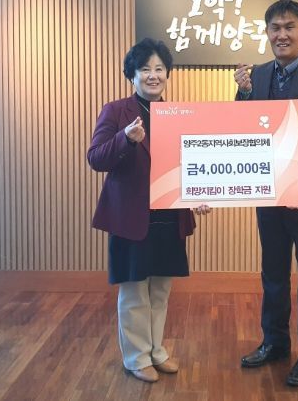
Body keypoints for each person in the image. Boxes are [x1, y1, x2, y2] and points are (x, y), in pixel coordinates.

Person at [87, 38, 209, 383]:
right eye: (145, 69)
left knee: (160, 290)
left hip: (168, 216)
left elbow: (190, 164)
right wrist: (125, 138)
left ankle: (156, 351)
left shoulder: (177, 114)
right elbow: (96, 158)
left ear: (167, 74)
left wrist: (199, 194)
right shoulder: (116, 111)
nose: (153, 75)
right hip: (131, 218)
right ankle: (136, 357)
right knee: (134, 292)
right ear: (132, 75)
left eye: (159, 69)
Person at [234, 0, 298, 387]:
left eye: (289, 27)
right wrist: (243, 93)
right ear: (267, 33)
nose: (282, 34)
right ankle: (275, 342)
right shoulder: (259, 74)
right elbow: (244, 127)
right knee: (273, 273)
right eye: (275, 28)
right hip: (270, 190)